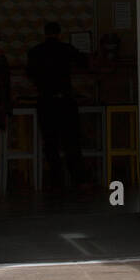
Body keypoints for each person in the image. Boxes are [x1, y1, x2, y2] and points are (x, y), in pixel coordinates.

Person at [26, 22, 87, 190]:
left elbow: (29, 74)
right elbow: (84, 62)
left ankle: (56, 180)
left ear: (44, 33)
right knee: (71, 141)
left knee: (50, 142)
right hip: (65, 100)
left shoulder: (35, 52)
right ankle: (78, 179)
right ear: (60, 33)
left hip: (45, 101)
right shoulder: (66, 49)